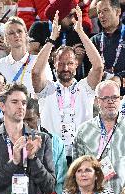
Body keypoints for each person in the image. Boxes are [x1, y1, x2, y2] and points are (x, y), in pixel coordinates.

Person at [32, 6, 104, 165]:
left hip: (81, 156)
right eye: (61, 63)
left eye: (70, 63)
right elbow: (36, 73)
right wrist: (51, 39)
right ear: (54, 64)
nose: (65, 68)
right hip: (51, 157)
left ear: (77, 64)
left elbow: (98, 67)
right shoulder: (47, 89)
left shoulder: (85, 88)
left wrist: (81, 32)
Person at [0, 83, 55, 194]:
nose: (21, 107)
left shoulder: (42, 139)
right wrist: (13, 163)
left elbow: (50, 187)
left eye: (23, 103)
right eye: (15, 102)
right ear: (2, 106)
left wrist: (33, 159)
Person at [73, 80, 125, 194]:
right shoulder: (84, 131)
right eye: (105, 98)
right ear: (97, 101)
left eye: (114, 97)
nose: (111, 101)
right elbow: (76, 171)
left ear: (120, 99)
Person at [0, 16, 53, 96]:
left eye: (19, 31)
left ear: (26, 35)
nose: (16, 35)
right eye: (11, 33)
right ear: (6, 39)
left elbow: (49, 92)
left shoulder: (40, 62)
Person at [24, 97, 68, 194]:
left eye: (29, 119)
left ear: (38, 117)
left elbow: (61, 181)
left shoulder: (55, 142)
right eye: (21, 120)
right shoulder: (8, 141)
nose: (25, 125)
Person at [90, 0, 125, 75]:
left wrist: (120, 79)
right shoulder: (94, 40)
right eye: (99, 12)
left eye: (106, 10)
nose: (101, 15)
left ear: (118, 12)